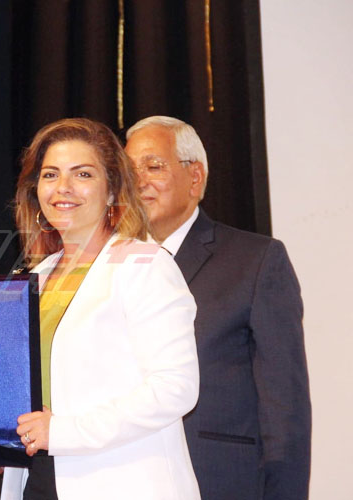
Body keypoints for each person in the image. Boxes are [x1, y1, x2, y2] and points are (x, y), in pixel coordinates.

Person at [0, 118, 200, 499]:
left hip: (124, 483)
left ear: (111, 191)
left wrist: (63, 432)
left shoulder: (144, 264)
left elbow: (176, 388)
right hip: (38, 481)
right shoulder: (35, 277)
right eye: (51, 174)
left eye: (83, 174)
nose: (63, 187)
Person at [125, 116, 311, 500]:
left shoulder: (256, 261)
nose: (138, 181)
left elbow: (285, 406)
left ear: (195, 178)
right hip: (124, 476)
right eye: (128, 171)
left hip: (218, 480)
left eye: (153, 166)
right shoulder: (111, 266)